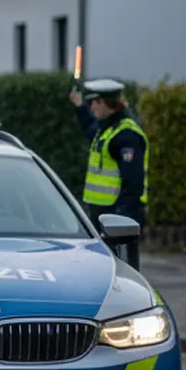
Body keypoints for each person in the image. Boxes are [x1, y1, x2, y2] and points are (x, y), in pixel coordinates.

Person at [70, 78, 149, 269]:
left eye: (96, 102)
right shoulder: (106, 128)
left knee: (121, 271)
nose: (92, 106)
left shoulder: (127, 135)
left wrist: (122, 219)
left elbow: (133, 182)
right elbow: (91, 131)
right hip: (101, 213)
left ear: (110, 105)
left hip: (117, 217)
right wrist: (79, 108)